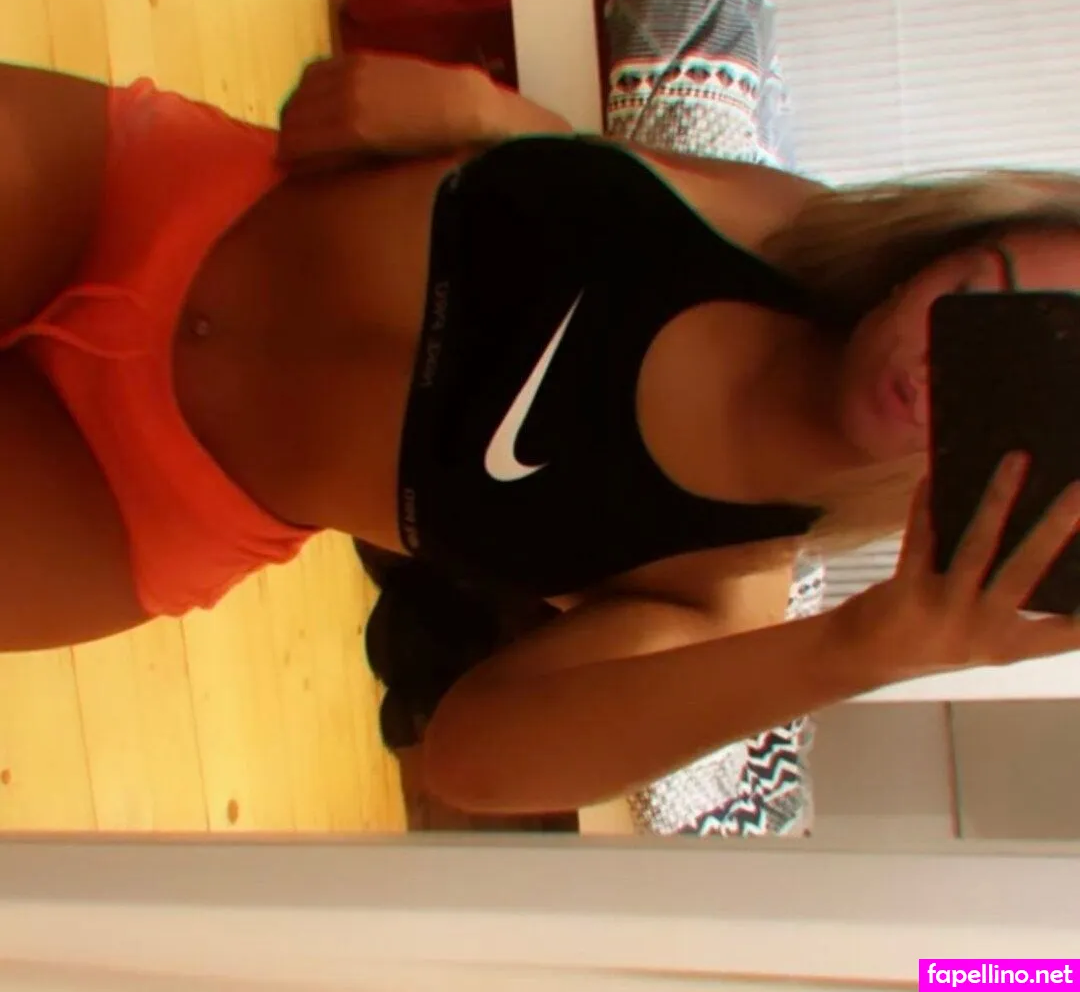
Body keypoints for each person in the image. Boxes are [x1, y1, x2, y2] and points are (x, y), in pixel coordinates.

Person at [4, 51, 1080, 815]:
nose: (933, 372)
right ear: (939, 249)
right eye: (976, 304)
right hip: (142, 194)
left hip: (134, 500)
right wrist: (479, 109)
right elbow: (595, 175)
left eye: (999, 387)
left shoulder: (722, 592)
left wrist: (854, 651)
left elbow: (470, 760)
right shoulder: (790, 222)